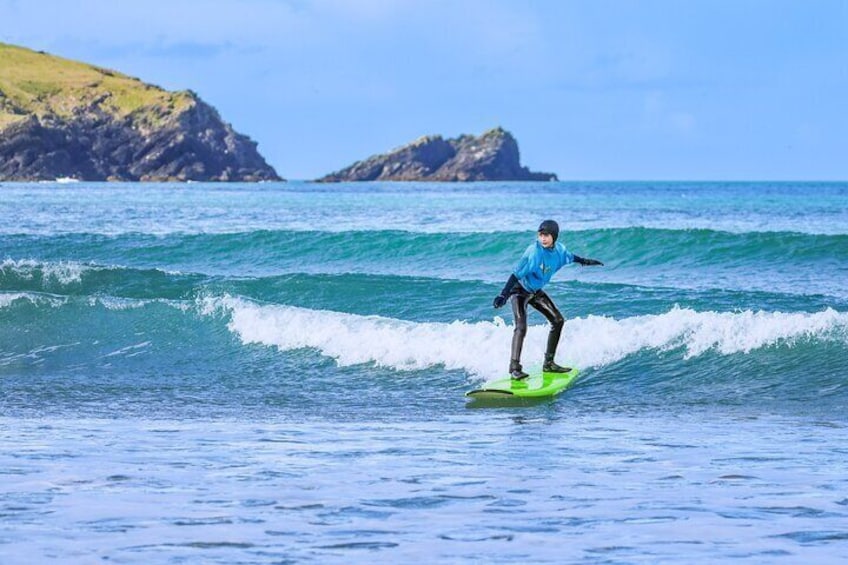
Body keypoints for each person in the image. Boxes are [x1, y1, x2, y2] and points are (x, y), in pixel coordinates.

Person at [493, 219, 603, 379]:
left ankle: (549, 364)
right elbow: (516, 275)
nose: (543, 238)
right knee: (521, 327)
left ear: (554, 237)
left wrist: (586, 262)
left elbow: (571, 257)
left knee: (558, 320)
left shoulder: (560, 251)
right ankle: (514, 368)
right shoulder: (534, 252)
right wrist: (503, 294)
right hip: (519, 290)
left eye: (546, 235)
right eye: (540, 235)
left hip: (535, 291)